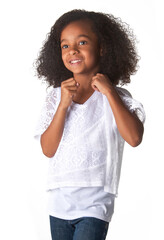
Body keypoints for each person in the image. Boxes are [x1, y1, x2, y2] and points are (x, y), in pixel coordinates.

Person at [34, 9, 146, 240]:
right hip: (59, 202)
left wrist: (110, 93)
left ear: (102, 48)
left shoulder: (118, 97)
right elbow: (48, 149)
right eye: (65, 45)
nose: (72, 50)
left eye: (82, 42)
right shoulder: (56, 97)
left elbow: (134, 138)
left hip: (96, 203)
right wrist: (63, 106)